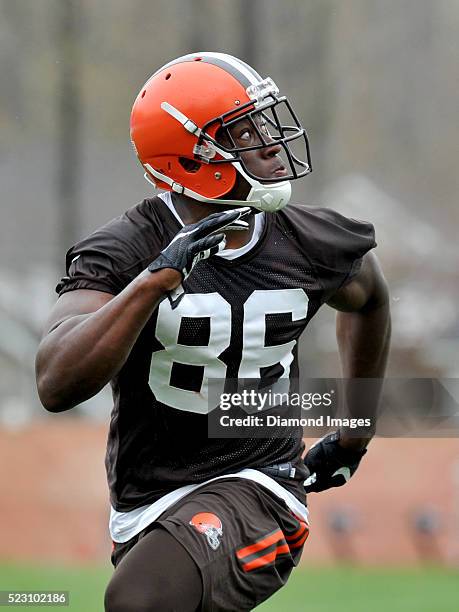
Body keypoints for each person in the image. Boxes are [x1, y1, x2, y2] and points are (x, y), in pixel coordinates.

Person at [35, 52, 390, 611]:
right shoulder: (127, 249)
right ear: (194, 157)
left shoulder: (310, 240)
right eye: (246, 133)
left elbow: (370, 299)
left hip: (263, 485)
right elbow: (55, 382)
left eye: (266, 125)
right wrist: (154, 283)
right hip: (150, 500)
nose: (273, 145)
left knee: (138, 602)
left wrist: (354, 432)